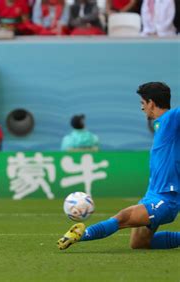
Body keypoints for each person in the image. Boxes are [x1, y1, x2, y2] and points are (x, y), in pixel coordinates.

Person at [58, 82, 180, 250]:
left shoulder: (171, 118)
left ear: (151, 102)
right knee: (139, 243)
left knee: (123, 217)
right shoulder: (161, 124)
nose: (142, 108)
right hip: (152, 194)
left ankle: (80, 235)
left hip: (166, 198)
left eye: (142, 103)